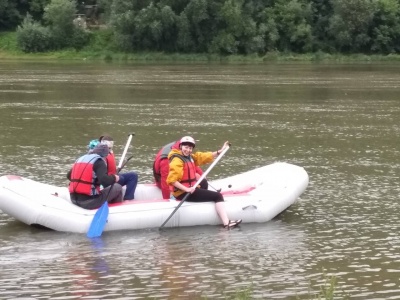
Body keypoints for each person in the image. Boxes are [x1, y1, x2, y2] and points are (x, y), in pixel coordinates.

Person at [166, 136, 242, 229]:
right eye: (186, 147)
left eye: (190, 148)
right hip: (183, 193)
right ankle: (226, 223)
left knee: (204, 183)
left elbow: (202, 157)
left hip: (191, 188)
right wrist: (187, 189)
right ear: (181, 147)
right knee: (218, 196)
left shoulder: (190, 157)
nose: (188, 150)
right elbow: (172, 180)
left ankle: (204, 201)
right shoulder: (177, 160)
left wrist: (219, 152)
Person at [67, 143, 123, 209]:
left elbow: (68, 176)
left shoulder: (80, 159)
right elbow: (105, 181)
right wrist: (114, 178)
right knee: (117, 187)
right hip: (89, 201)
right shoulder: (99, 161)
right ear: (105, 155)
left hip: (73, 199)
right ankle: (114, 210)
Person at [98, 135, 139, 200]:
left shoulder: (110, 152)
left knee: (133, 176)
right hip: (108, 181)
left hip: (114, 176)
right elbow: (102, 175)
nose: (109, 149)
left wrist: (116, 170)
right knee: (121, 178)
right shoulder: (101, 156)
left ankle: (128, 198)